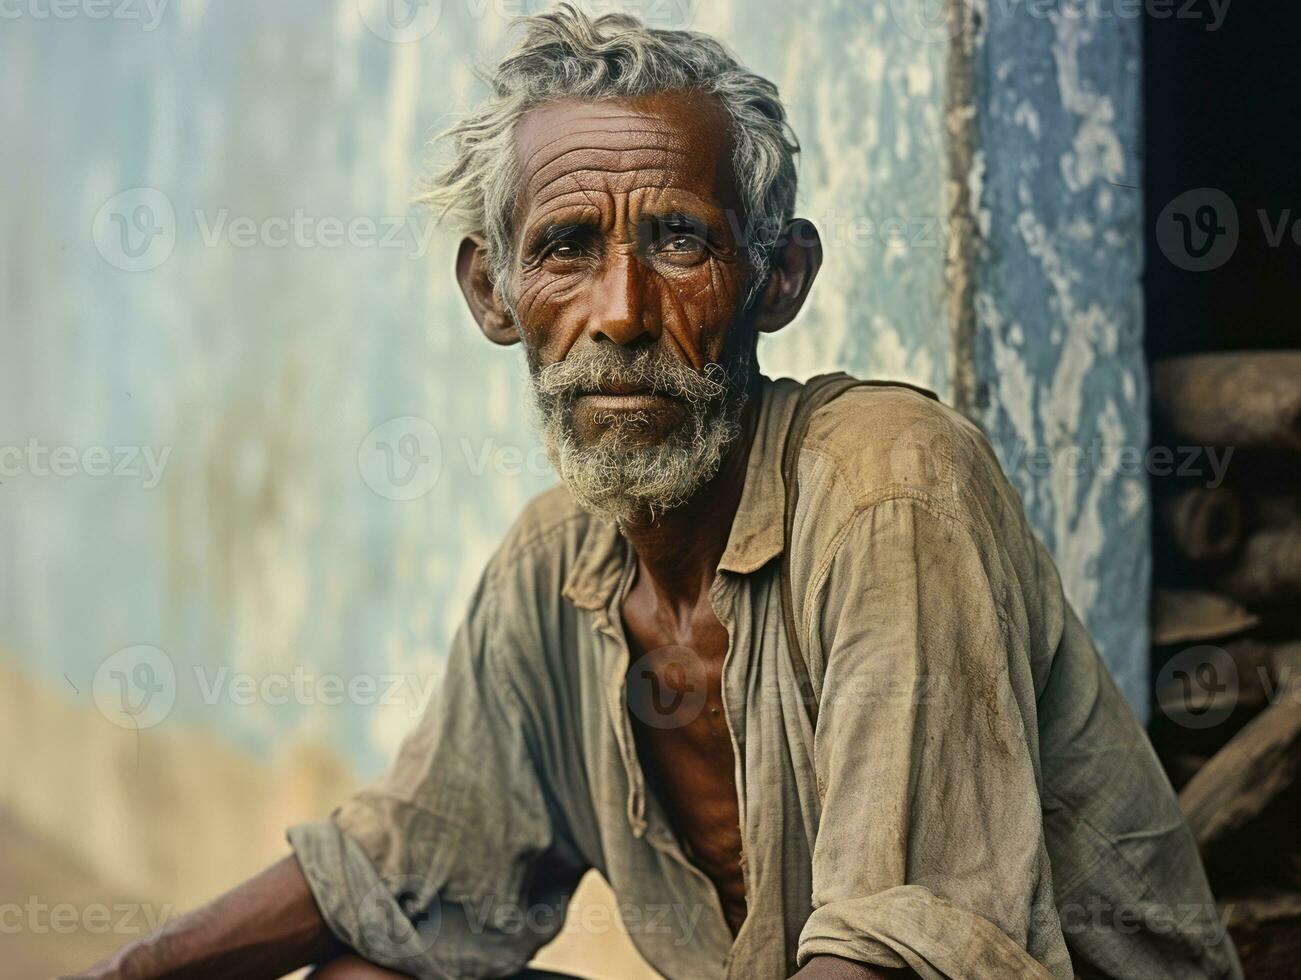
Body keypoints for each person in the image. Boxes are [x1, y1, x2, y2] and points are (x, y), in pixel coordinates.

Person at [83, 6, 1240, 979]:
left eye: (679, 240)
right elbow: (402, 862)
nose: (623, 312)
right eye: (568, 246)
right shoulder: (557, 566)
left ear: (774, 279)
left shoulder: (891, 488)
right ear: (493, 295)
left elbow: (896, 946)